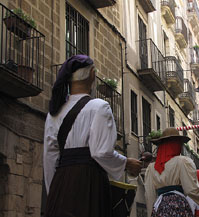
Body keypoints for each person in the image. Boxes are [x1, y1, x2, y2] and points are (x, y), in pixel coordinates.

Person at [43, 55, 142, 217]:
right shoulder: (99, 107)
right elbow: (100, 152)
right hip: (88, 183)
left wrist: (54, 191)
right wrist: (126, 163)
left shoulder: (54, 114)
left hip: (61, 184)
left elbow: (49, 157)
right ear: (92, 74)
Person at [144, 127, 199, 217]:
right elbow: (191, 190)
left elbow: (149, 196)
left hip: (160, 207)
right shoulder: (183, 162)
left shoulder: (151, 168)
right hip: (179, 205)